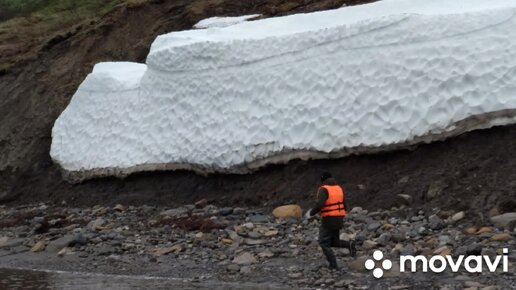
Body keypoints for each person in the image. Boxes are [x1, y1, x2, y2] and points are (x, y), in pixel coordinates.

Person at [306, 171, 356, 270]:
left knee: (324, 243)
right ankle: (349, 245)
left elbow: (320, 204)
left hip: (329, 219)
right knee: (334, 241)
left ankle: (333, 265)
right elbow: (344, 205)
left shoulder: (324, 189)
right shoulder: (338, 188)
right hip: (339, 218)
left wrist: (311, 213)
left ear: (323, 179)